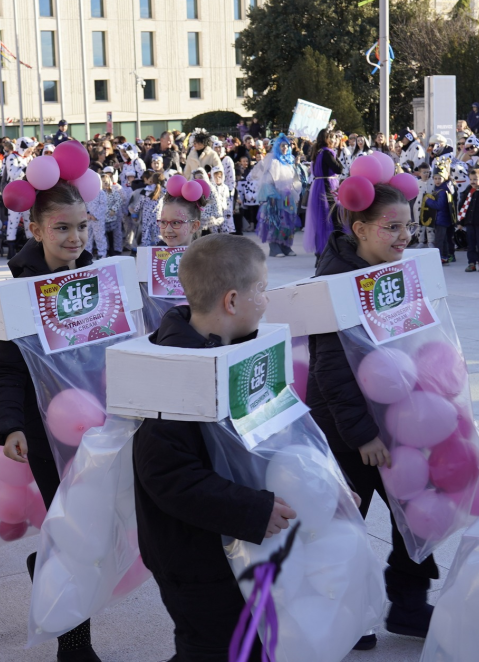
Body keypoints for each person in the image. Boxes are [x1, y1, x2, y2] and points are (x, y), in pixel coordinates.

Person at [133, 234, 291, 662]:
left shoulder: (237, 348)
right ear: (233, 300)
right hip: (194, 556)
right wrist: (253, 510)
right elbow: (165, 474)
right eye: (262, 289)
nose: (267, 299)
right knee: (213, 647)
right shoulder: (175, 368)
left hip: (230, 543)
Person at [307, 184, 437, 648]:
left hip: (394, 420)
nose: (405, 237)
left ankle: (408, 602)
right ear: (360, 229)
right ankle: (346, 613)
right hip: (350, 431)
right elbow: (331, 369)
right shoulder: (338, 280)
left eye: (409, 226)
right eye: (393, 228)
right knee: (345, 522)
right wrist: (362, 436)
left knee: (419, 509)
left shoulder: (387, 268)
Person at [0, 183, 102, 662]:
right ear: (35, 230)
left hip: (99, 424)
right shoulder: (15, 292)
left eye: (82, 226)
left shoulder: (98, 277)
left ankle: (46, 559)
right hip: (45, 430)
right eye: (61, 228)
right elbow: (6, 369)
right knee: (73, 530)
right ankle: (74, 644)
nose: (74, 237)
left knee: (95, 526)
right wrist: (11, 425)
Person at [428, 163, 456, 264]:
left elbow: (439, 205)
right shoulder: (442, 189)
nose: (437, 181)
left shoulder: (443, 191)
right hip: (443, 219)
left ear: (444, 178)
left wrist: (428, 201)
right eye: (435, 178)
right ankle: (445, 256)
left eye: (439, 178)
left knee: (439, 240)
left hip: (441, 219)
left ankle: (440, 257)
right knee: (444, 239)